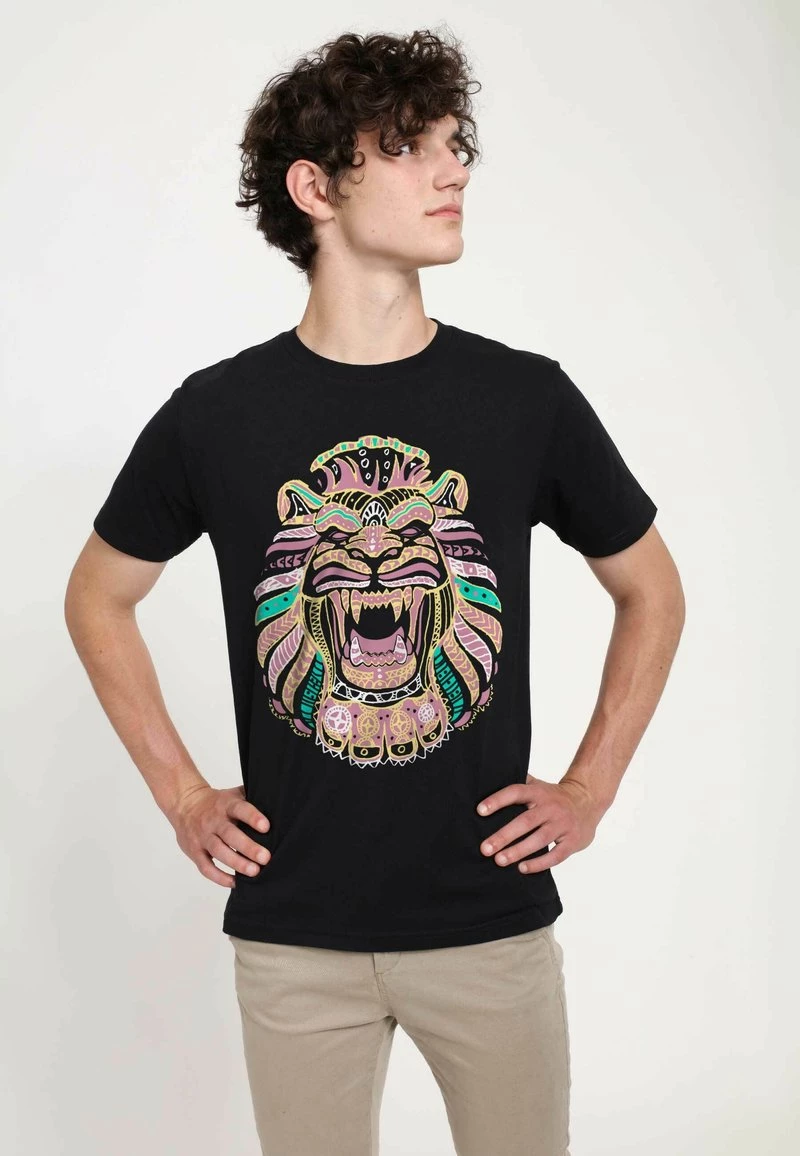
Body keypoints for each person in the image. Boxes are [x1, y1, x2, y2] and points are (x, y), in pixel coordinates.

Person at [64, 27, 685, 1156]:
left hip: (488, 919)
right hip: (294, 934)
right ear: (315, 189)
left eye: (454, 144)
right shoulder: (217, 414)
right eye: (406, 147)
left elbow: (651, 588)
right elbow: (96, 596)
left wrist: (589, 788)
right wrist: (182, 793)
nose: (453, 170)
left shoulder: (524, 399)